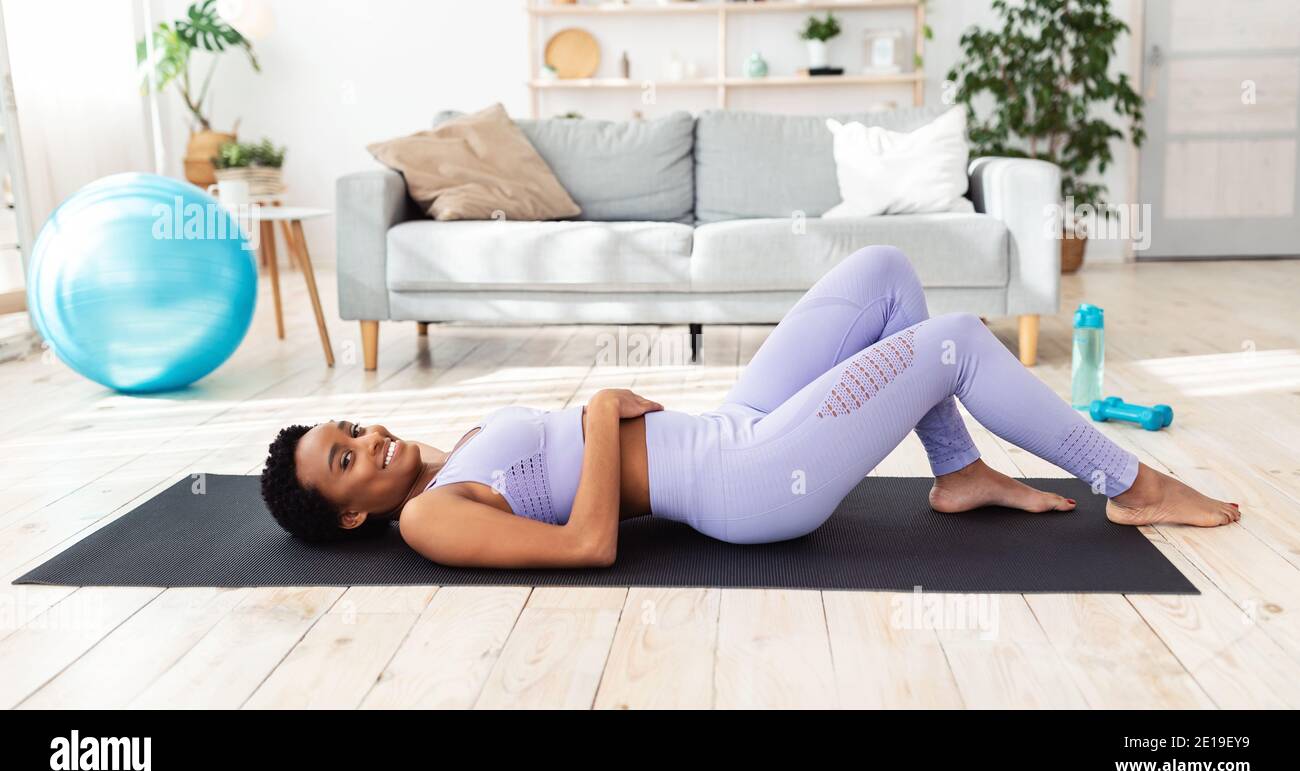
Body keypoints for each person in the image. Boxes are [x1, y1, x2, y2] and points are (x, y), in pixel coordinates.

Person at [260, 246, 1239, 569]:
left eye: (347, 427)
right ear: (351, 513)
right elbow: (588, 544)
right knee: (953, 342)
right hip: (749, 481)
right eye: (346, 461)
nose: (367, 438)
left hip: (729, 422)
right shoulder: (431, 517)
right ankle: (1132, 481)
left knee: (885, 271)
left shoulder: (452, 453)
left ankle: (960, 471)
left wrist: (601, 412)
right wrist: (599, 411)